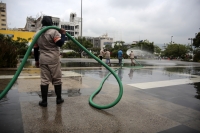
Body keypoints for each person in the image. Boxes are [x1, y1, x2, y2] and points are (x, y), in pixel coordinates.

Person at [34, 16, 66, 107]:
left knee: (44, 80)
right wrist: (63, 34)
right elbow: (60, 43)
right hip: (53, 59)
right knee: (57, 78)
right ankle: (59, 99)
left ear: (42, 23)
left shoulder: (37, 33)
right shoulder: (53, 32)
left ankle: (44, 101)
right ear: (51, 23)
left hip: (43, 59)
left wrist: (36, 60)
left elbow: (36, 49)